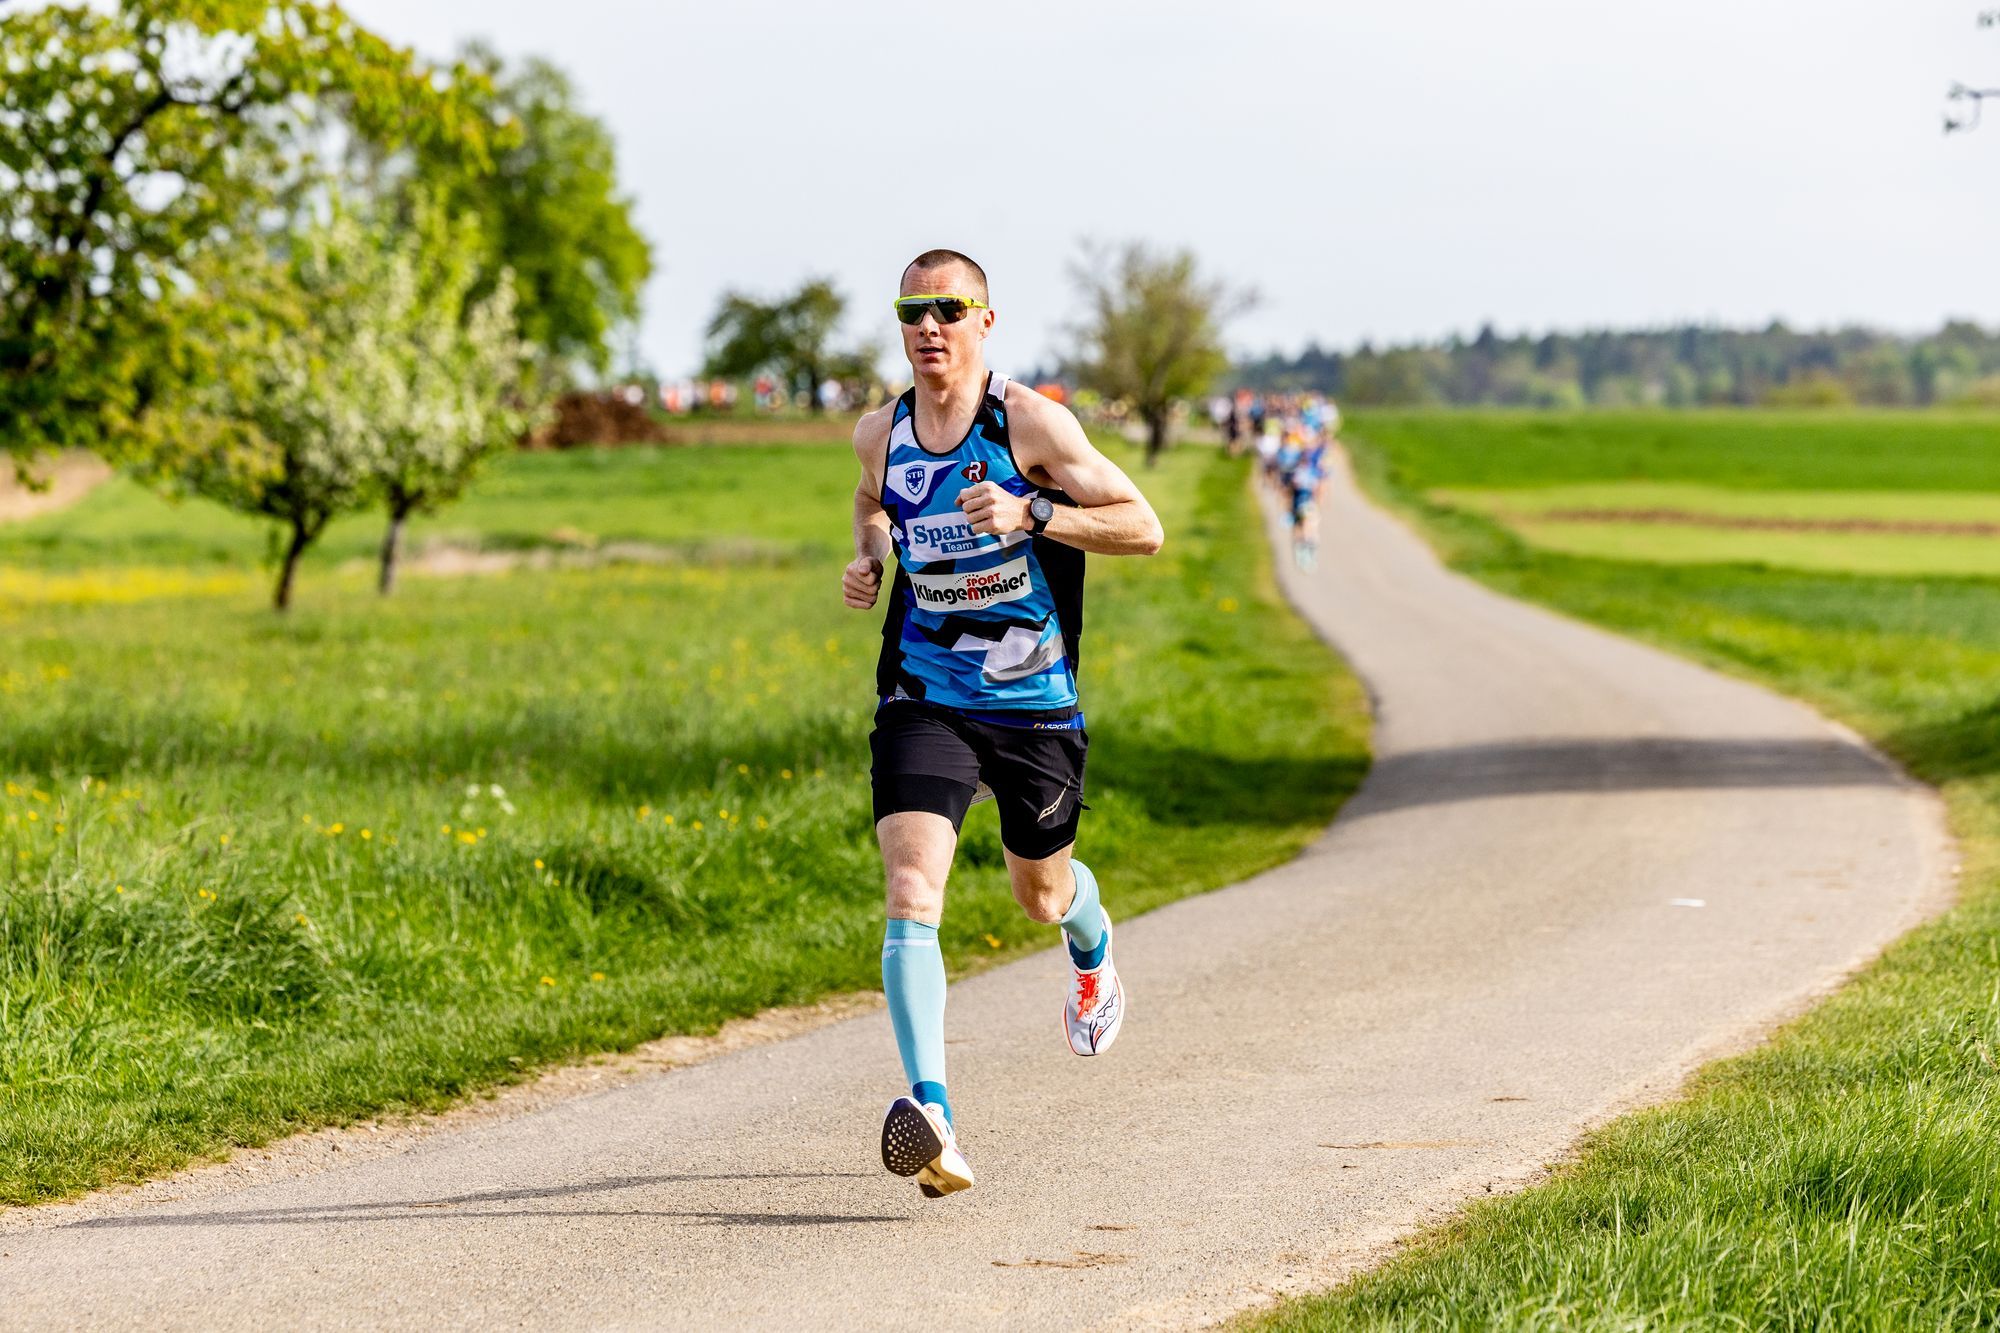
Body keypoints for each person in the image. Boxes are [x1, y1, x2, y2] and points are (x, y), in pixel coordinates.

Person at [843, 248, 1165, 1199]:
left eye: (949, 309)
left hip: (1031, 705)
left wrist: (1033, 512)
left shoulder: (1026, 422)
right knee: (911, 885)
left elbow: (1142, 525)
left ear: (985, 322)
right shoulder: (880, 432)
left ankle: (1091, 946)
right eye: (913, 310)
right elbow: (872, 504)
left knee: (1039, 894)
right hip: (924, 692)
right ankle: (933, 1112)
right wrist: (870, 555)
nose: (929, 327)